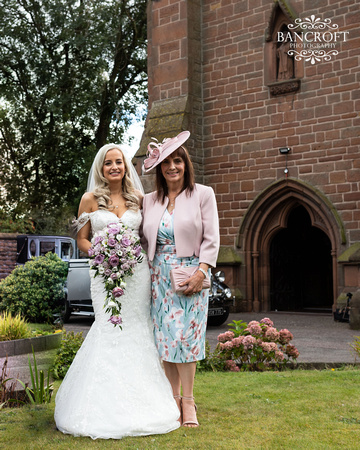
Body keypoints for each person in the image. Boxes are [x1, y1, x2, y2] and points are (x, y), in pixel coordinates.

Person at [54, 144, 180, 439]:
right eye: (108, 163)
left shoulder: (138, 198)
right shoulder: (89, 200)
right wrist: (101, 248)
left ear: (125, 167)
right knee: (108, 328)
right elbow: (82, 240)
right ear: (101, 168)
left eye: (118, 162)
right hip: (102, 273)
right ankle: (98, 405)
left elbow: (148, 236)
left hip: (137, 274)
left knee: (137, 327)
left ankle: (148, 401)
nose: (114, 167)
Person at [141, 131, 220, 427]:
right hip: (159, 276)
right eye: (166, 163)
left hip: (191, 274)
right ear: (159, 169)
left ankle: (188, 402)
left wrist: (202, 271)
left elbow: (212, 237)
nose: (172, 167)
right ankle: (171, 399)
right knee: (165, 339)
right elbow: (138, 236)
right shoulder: (149, 200)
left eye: (177, 161)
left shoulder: (203, 194)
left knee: (186, 338)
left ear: (186, 164)